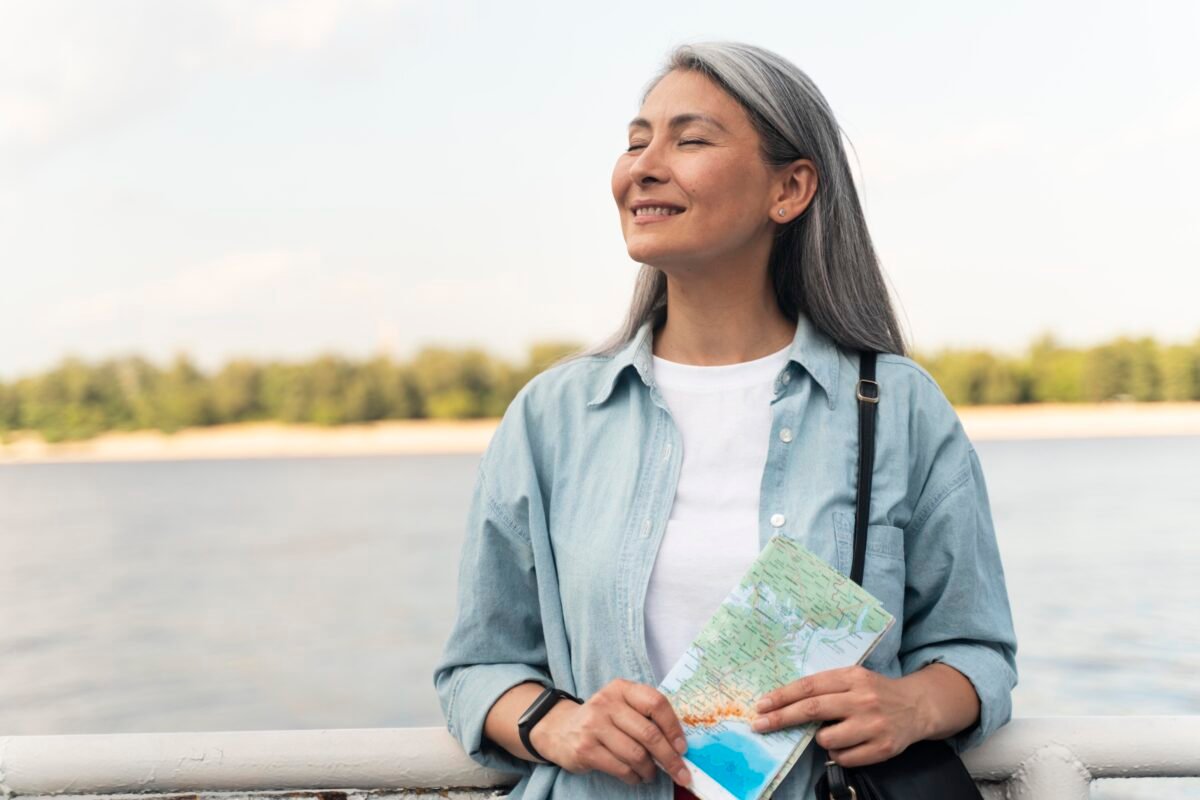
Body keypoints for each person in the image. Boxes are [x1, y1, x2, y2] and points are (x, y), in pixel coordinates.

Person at [432, 40, 1018, 800]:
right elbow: (477, 668)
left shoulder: (899, 408)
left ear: (791, 189)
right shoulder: (551, 418)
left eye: (690, 138)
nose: (643, 164)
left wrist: (912, 703)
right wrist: (555, 721)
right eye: (636, 139)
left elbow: (979, 653)